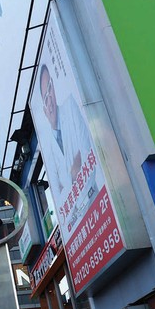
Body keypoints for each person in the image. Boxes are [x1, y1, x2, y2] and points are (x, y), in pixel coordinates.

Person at [35, 63, 99, 234]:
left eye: (50, 90)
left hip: (97, 206)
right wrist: (74, 171)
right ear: (43, 106)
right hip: (76, 227)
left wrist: (67, 183)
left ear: (55, 90)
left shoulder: (70, 106)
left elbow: (90, 159)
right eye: (45, 97)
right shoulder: (47, 145)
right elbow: (57, 195)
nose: (49, 100)